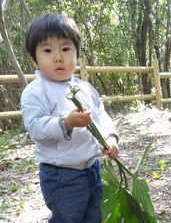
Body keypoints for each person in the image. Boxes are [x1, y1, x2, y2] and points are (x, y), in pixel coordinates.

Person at [21, 13, 119, 223]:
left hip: (92, 168)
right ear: (33, 57)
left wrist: (111, 138)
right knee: (68, 218)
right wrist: (66, 122)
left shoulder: (85, 88)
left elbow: (101, 117)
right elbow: (37, 128)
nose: (58, 57)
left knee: (94, 216)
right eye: (47, 50)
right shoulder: (35, 92)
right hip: (61, 175)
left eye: (66, 49)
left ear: (76, 53)